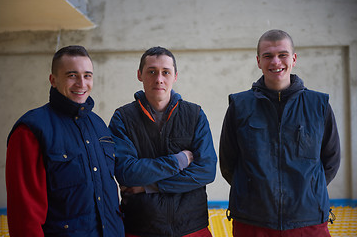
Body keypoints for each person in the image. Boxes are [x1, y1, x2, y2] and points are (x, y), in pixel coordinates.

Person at [219, 29, 341, 237]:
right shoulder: (240, 106)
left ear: (293, 58)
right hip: (253, 221)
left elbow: (330, 160)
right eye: (268, 56)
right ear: (258, 61)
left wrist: (308, 190)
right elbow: (228, 163)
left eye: (282, 54)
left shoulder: (318, 105)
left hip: (308, 221)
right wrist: (252, 189)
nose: (275, 62)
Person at [6, 45, 125, 237]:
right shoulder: (31, 130)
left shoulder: (99, 125)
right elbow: (24, 213)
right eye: (72, 75)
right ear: (53, 80)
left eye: (87, 75)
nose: (81, 83)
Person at [109, 46, 217, 237]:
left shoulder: (195, 115)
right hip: (141, 227)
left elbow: (206, 171)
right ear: (139, 75)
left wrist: (149, 186)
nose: (159, 79)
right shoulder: (123, 118)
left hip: (192, 228)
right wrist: (178, 161)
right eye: (151, 72)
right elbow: (126, 173)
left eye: (165, 72)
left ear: (175, 76)